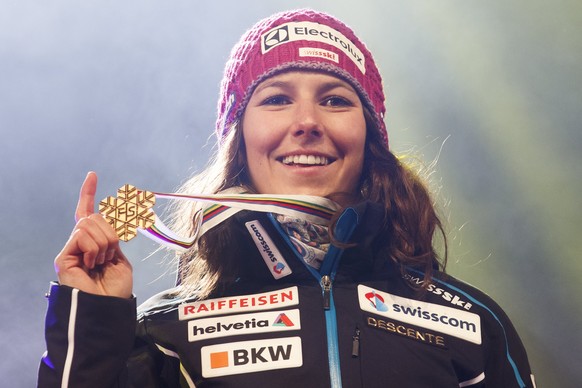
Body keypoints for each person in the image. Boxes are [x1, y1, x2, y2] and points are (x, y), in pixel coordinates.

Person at [38, 8, 535, 388]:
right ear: (239, 138)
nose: (307, 123)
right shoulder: (168, 331)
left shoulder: (471, 322)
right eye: (276, 98)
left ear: (371, 138)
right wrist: (93, 323)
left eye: (336, 100)